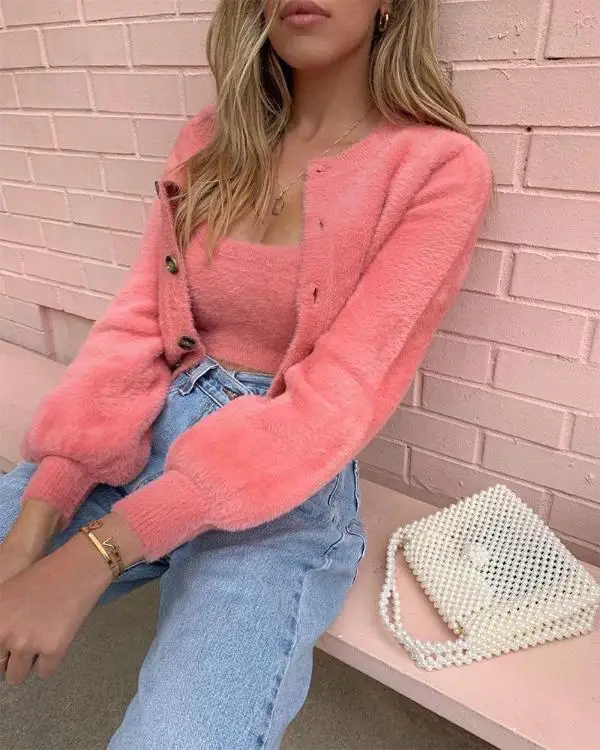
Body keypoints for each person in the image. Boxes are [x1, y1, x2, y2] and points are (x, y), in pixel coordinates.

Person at [0, 0, 492, 747]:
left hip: (284, 485)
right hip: (138, 432)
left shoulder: (436, 169)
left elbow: (340, 396)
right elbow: (136, 325)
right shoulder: (209, 142)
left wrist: (95, 553)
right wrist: (36, 520)